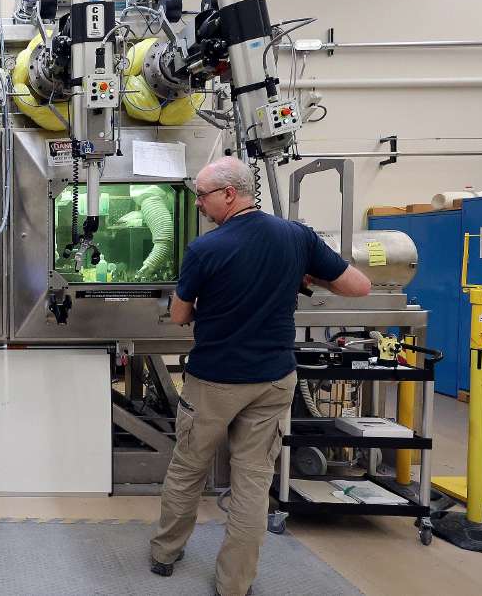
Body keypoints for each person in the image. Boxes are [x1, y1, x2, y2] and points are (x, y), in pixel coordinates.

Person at [148, 157, 371, 596]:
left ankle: (165, 553)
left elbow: (178, 316)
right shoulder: (297, 236)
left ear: (229, 194)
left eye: (203, 196)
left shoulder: (205, 249)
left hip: (214, 379)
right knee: (252, 481)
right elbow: (358, 285)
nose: (199, 205)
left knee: (188, 468)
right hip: (272, 379)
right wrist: (307, 278)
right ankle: (235, 584)